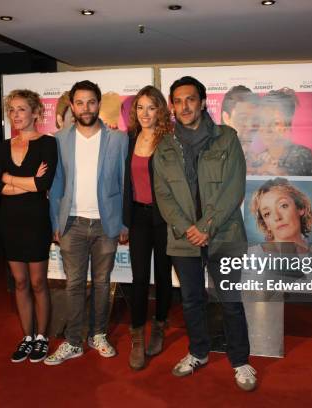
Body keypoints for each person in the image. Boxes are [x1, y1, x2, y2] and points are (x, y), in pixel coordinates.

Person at [153, 76, 256, 391]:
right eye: (179, 101)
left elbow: (233, 188)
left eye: (190, 99)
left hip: (223, 236)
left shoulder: (226, 139)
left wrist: (206, 226)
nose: (185, 106)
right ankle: (198, 351)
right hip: (184, 240)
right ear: (172, 106)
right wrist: (189, 229)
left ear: (202, 102)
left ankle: (240, 361)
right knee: (191, 301)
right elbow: (163, 195)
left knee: (230, 301)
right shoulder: (165, 147)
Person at [46, 80, 129, 365]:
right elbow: (56, 184)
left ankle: (98, 334)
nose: (85, 108)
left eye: (91, 102)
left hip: (106, 224)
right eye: (79, 103)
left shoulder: (118, 139)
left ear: (98, 104)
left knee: (103, 283)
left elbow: (124, 182)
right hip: (72, 223)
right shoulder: (59, 138)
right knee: (74, 285)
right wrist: (55, 221)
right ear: (72, 106)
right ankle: (73, 341)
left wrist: (124, 224)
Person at [0, 89, 57, 363]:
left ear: (35, 113)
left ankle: (42, 337)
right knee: (19, 282)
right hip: (10, 222)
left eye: (21, 109)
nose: (16, 115)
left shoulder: (48, 143)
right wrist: (26, 182)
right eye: (12, 110)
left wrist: (10, 178)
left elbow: (43, 184)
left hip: (36, 221)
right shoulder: (3, 146)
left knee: (38, 282)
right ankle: (27, 336)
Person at [122, 85, 174, 370]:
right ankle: (138, 336)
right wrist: (124, 220)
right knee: (139, 277)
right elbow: (124, 183)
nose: (144, 113)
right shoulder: (129, 139)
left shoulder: (169, 140)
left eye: (150, 107)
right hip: (139, 218)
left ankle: (160, 324)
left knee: (164, 276)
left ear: (160, 111)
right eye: (140, 107)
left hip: (165, 218)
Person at [251, 88, 312, 176]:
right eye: (262, 121)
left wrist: (269, 169)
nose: (267, 129)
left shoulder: (302, 155)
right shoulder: (257, 161)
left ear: (286, 125)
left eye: (275, 123)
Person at [249, 177, 312, 249]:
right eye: (267, 214)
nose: (277, 217)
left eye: (283, 206)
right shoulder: (251, 256)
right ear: (266, 224)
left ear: (300, 207)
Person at [220, 85, 260, 171]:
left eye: (254, 119)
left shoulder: (264, 158)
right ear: (226, 118)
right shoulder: (210, 155)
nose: (250, 126)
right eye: (243, 118)